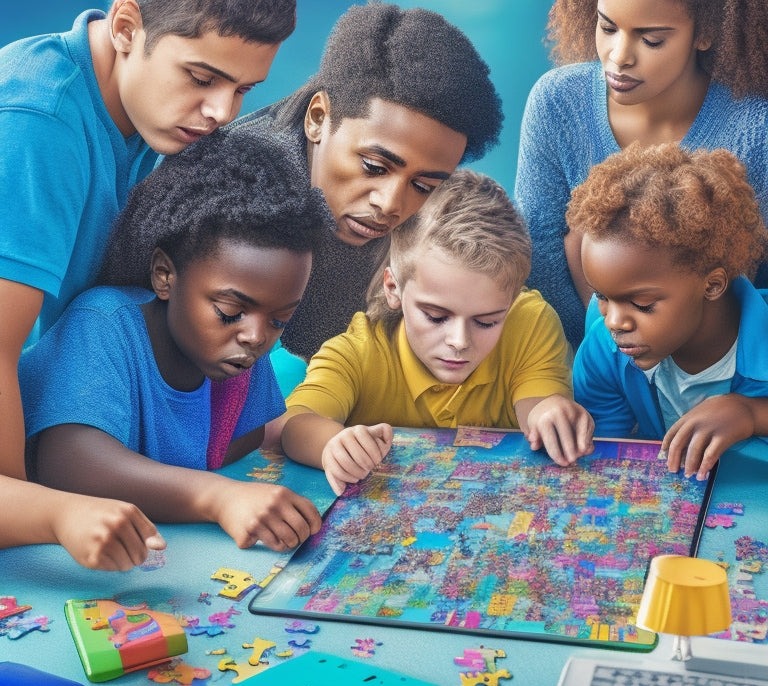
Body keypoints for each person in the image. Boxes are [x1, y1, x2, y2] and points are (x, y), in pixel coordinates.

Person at [0, 0, 295, 568]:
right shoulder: (39, 123)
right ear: (127, 28)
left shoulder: (143, 113)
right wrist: (31, 518)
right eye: (203, 77)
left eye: (243, 90)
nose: (219, 113)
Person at [101, 1, 504, 371]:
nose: (390, 204)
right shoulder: (213, 198)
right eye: (374, 167)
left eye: (423, 185)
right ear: (317, 118)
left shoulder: (440, 216)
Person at [19, 130, 330, 555]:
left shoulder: (236, 353)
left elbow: (245, 440)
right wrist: (217, 497)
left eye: (280, 319)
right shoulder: (104, 323)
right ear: (165, 275)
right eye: (230, 311)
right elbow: (69, 463)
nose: (256, 337)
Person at [279, 170, 595, 495]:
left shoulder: (530, 321)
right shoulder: (358, 351)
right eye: (435, 316)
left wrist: (549, 412)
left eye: (486, 322)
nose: (459, 341)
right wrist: (332, 444)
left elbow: (537, 410)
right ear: (394, 289)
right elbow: (290, 424)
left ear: (511, 300)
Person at [514, 0, 768, 350]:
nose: (619, 57)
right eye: (607, 28)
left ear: (706, 32)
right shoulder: (557, 102)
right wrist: (600, 357)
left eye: (651, 41)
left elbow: (751, 275)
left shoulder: (756, 129)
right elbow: (539, 249)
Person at [570, 142, 768, 482]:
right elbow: (604, 458)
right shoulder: (604, 350)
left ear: (712, 285)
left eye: (642, 304)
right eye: (602, 296)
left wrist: (751, 413)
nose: (615, 322)